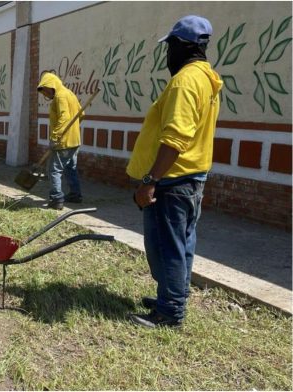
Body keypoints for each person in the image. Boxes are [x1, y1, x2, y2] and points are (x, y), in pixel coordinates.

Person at [126, 15, 222, 328]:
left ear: (181, 46)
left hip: (172, 180)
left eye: (170, 47)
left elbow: (174, 138)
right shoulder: (206, 78)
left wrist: (150, 181)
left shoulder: (184, 81)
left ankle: (170, 313)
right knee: (181, 246)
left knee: (166, 248)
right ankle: (171, 297)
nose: (168, 54)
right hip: (191, 178)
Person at [37, 71, 84, 210]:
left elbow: (64, 117)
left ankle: (56, 199)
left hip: (63, 142)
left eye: (46, 91)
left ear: (51, 85)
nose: (46, 95)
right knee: (71, 168)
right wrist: (73, 129)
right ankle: (75, 195)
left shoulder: (60, 96)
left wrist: (55, 136)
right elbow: (82, 114)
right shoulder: (70, 94)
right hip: (74, 140)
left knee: (54, 170)